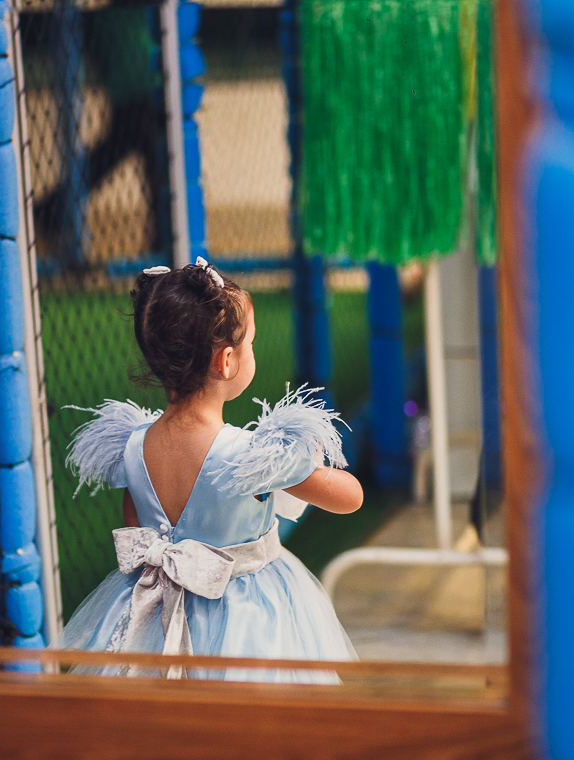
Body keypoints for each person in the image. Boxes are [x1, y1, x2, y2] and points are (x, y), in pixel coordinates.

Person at [61, 258, 362, 681]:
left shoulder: (133, 446)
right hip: (247, 621)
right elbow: (350, 498)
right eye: (250, 344)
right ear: (226, 362)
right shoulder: (252, 455)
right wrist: (302, 461)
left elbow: (139, 537)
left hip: (151, 614)